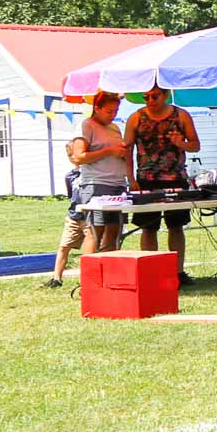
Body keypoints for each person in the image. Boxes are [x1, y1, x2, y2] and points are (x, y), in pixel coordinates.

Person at [48, 91, 132, 288]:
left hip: (117, 184)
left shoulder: (114, 128)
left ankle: (109, 275)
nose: (112, 115)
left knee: (114, 230)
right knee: (95, 231)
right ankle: (90, 279)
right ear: (97, 108)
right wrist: (109, 151)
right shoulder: (86, 126)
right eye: (109, 111)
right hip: (96, 184)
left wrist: (128, 173)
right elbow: (79, 157)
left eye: (116, 111)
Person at [125, 86, 200, 278]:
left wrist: (181, 144)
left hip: (176, 178)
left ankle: (178, 272)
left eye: (154, 96)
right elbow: (127, 150)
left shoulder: (180, 115)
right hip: (146, 180)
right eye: (146, 97)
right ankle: (150, 272)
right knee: (148, 227)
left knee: (176, 226)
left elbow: (195, 145)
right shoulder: (136, 118)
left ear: (165, 95)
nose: (150, 100)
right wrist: (130, 178)